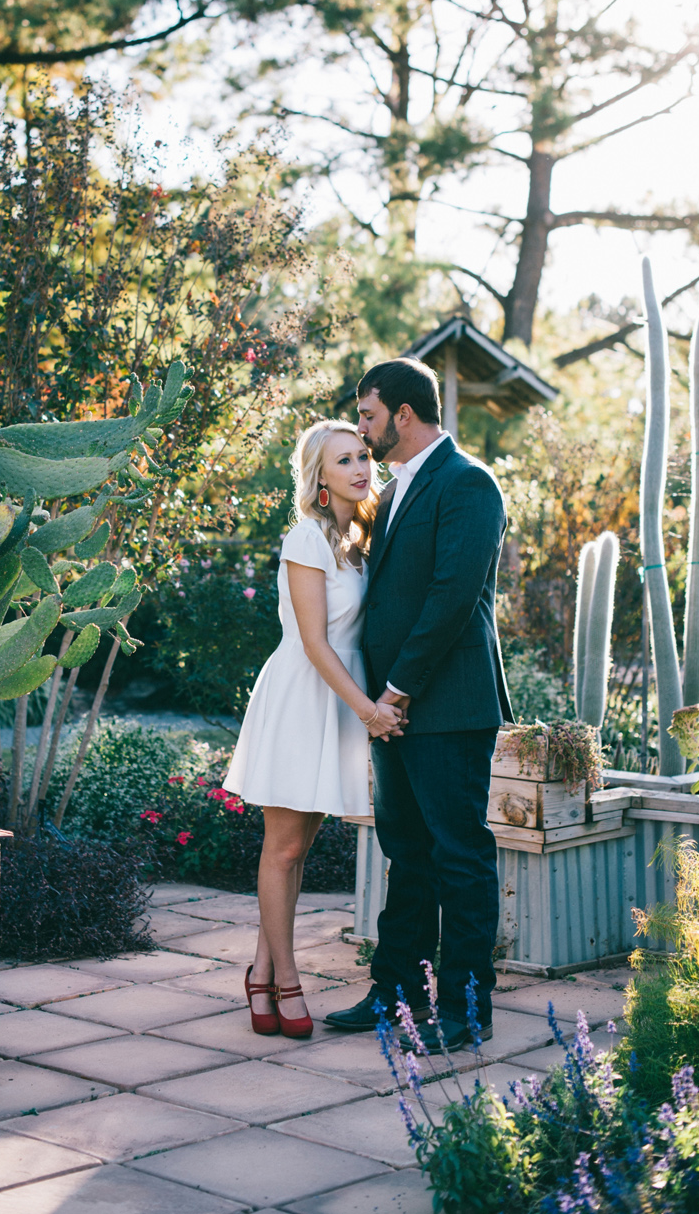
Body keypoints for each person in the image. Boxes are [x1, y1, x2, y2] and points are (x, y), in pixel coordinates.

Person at [324, 358, 514, 1052]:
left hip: (446, 707)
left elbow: (451, 599)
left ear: (404, 414)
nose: (363, 428)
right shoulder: (398, 487)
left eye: (368, 415)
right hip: (394, 710)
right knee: (407, 855)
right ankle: (395, 991)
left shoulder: (469, 483)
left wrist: (395, 691)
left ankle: (467, 1010)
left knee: (460, 857)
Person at [224, 419, 404, 1038]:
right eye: (344, 461)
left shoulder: (358, 536)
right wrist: (369, 710)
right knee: (284, 847)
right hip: (307, 697)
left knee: (300, 847)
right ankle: (287, 980)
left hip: (340, 702)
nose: (360, 467)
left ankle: (261, 971)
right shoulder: (307, 537)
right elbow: (313, 642)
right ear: (320, 479)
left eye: (363, 456)